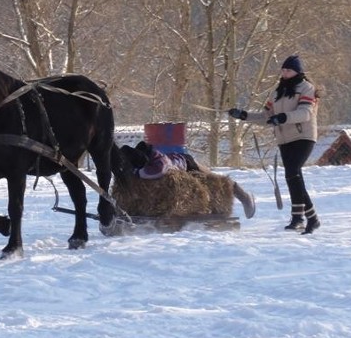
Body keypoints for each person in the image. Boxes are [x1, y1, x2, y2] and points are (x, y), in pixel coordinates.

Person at [228, 54, 320, 234]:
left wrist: (283, 117)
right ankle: (304, 218)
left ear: (297, 72)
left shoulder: (306, 88)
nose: (285, 73)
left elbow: (305, 113)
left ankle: (305, 218)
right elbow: (266, 117)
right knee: (292, 176)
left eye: (288, 70)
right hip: (284, 139)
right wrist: (244, 116)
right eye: (283, 70)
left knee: (293, 172)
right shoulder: (277, 92)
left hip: (304, 136)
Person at [117, 141, 256, 219]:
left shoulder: (159, 159)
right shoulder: (144, 158)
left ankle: (243, 196)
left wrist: (138, 172)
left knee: (214, 179)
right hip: (177, 162)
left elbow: (159, 170)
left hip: (187, 163)